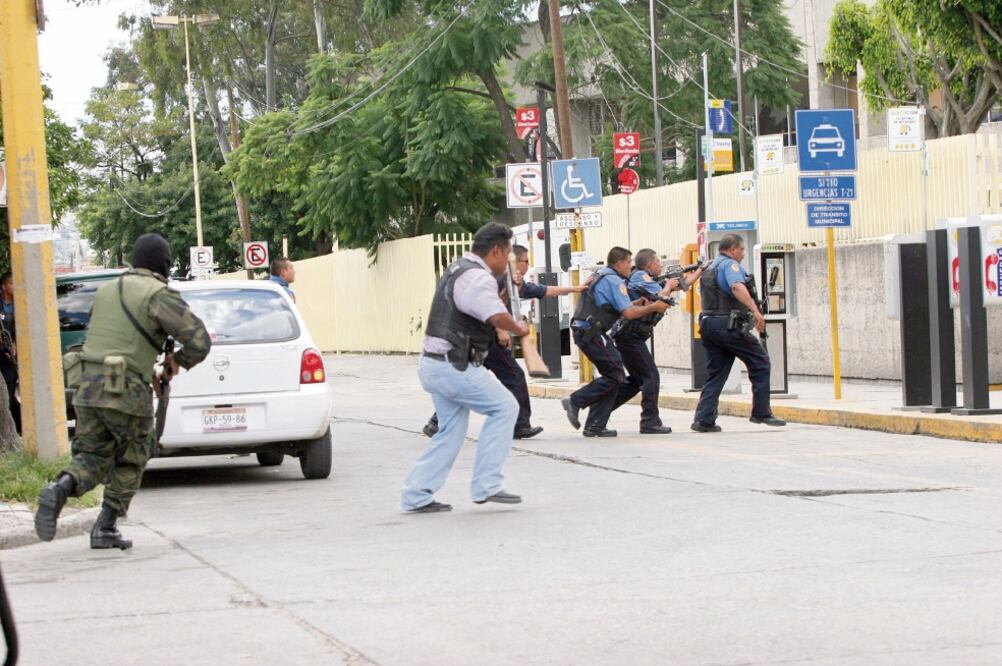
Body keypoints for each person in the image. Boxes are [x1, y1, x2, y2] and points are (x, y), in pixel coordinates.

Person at [34, 234, 211, 550]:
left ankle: (60, 487)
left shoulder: (106, 290)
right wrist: (175, 364)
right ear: (164, 264)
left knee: (91, 455)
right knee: (133, 456)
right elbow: (200, 341)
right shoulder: (158, 294)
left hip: (88, 387)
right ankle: (105, 527)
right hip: (126, 389)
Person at [403, 223, 529, 513]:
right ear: (495, 251)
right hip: (453, 366)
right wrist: (518, 327)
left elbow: (485, 307)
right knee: (505, 408)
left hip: (437, 364)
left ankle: (416, 494)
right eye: (508, 254)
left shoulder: (460, 269)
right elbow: (495, 316)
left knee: (450, 432)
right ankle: (487, 484)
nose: (508, 261)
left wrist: (508, 294)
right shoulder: (476, 277)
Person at [422, 244, 587, 440]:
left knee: (465, 381)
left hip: (476, 339)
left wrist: (575, 288)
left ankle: (435, 423)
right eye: (526, 261)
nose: (528, 265)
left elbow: (543, 290)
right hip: (486, 339)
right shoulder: (498, 278)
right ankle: (519, 425)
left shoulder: (510, 280)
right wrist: (501, 331)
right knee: (514, 376)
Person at [560, 247, 669, 438]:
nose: (631, 266)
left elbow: (618, 307)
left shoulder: (602, 275)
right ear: (619, 263)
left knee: (614, 375)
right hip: (591, 331)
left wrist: (636, 303)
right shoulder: (614, 280)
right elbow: (629, 314)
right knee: (615, 373)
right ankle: (576, 401)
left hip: (588, 330)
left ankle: (595, 425)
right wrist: (653, 306)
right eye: (628, 262)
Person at [691, 234, 785, 432]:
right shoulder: (730, 265)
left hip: (708, 324)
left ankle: (704, 419)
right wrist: (756, 311)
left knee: (717, 373)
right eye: (741, 249)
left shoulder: (710, 266)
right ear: (732, 249)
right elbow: (736, 286)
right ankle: (761, 412)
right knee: (760, 361)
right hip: (727, 325)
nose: (743, 254)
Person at [610, 249, 703, 434]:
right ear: (650, 264)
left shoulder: (650, 280)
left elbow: (682, 285)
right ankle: (649, 422)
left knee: (636, 381)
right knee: (651, 377)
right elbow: (661, 297)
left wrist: (700, 270)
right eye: (658, 261)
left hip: (631, 336)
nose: (661, 264)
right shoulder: (641, 277)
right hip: (629, 336)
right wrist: (668, 286)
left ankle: (599, 410)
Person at [0, 273, 20, 433]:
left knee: (12, 384)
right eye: (12, 283)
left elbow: (21, 327)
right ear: (4, 286)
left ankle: (17, 425)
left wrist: (15, 346)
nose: (15, 286)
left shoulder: (19, 304)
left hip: (14, 351)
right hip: (2, 350)